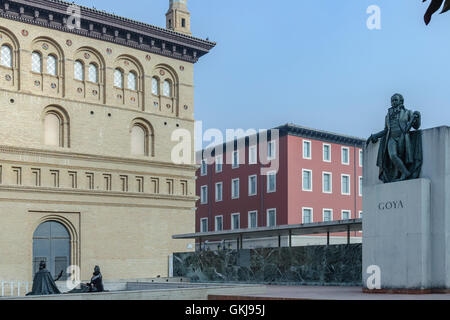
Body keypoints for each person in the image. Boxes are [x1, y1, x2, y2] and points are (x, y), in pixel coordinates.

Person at [367, 94, 422, 183]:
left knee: (401, 155)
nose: (393, 102)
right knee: (393, 155)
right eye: (392, 100)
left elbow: (416, 126)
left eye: (395, 100)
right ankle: (406, 172)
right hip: (391, 138)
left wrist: (418, 117)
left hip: (402, 137)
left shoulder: (407, 112)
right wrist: (375, 136)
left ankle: (401, 174)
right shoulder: (388, 115)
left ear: (401, 101)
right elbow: (386, 130)